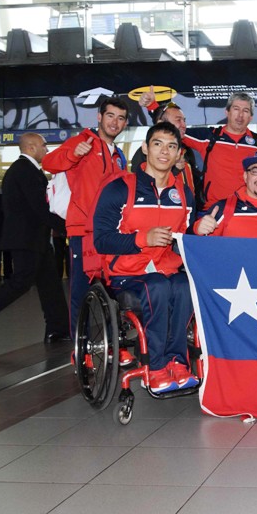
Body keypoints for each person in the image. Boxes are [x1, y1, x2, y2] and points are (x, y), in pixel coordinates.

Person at [92, 122, 197, 393]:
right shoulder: (119, 189)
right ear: (145, 148)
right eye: (158, 144)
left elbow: (185, 241)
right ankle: (157, 365)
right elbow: (101, 239)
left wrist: (200, 231)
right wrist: (142, 239)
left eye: (171, 146)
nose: (164, 151)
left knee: (186, 287)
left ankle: (178, 361)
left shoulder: (184, 195)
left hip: (166, 271)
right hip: (126, 273)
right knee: (158, 287)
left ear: (179, 155)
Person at [44, 96, 129, 337]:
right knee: (81, 291)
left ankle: (109, 342)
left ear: (125, 124)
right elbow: (49, 163)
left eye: (120, 118)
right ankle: (79, 348)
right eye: (110, 116)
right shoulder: (83, 141)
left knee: (112, 286)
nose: (115, 122)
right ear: (99, 117)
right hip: (83, 231)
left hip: (110, 233)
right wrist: (73, 155)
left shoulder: (118, 155)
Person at [0, 133, 69, 343]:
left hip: (36, 239)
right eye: (44, 146)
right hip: (26, 240)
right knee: (20, 283)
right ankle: (58, 328)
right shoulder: (24, 170)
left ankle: (59, 329)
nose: (47, 150)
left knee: (50, 283)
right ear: (32, 147)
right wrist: (67, 227)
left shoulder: (27, 170)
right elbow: (40, 208)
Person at [179, 92, 257, 208]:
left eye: (245, 111)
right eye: (236, 109)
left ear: (251, 117)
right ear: (227, 112)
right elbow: (173, 132)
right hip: (213, 210)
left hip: (247, 210)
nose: (240, 115)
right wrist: (155, 108)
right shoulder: (209, 137)